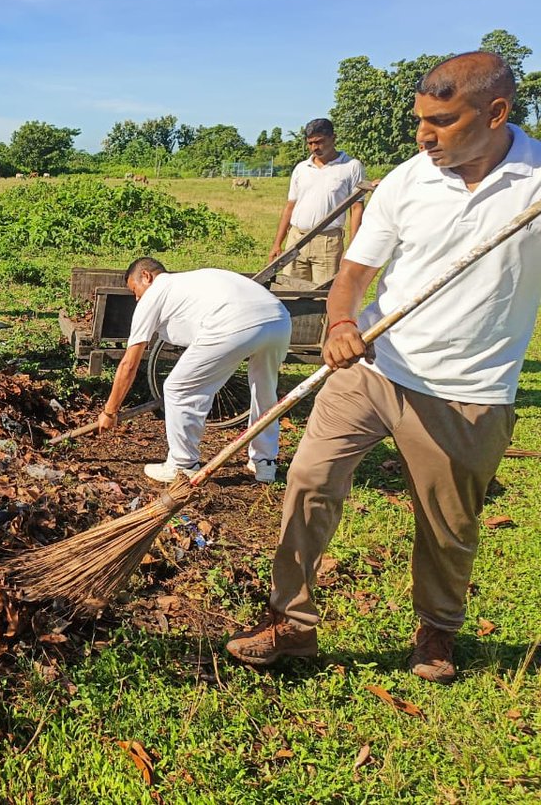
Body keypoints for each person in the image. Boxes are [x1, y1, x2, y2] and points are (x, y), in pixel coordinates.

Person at [227, 52, 541, 684]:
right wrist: (342, 324)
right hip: (375, 365)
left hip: (469, 391)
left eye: (442, 121)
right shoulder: (407, 180)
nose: (424, 135)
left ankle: (436, 631)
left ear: (496, 113)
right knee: (310, 480)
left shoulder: (536, 186)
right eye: (419, 120)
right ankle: (290, 623)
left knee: (447, 524)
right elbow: (353, 276)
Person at [97, 259, 291, 483]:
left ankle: (183, 465)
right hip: (278, 319)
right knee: (265, 391)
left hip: (235, 322)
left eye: (135, 290)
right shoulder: (191, 282)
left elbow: (129, 363)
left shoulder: (155, 292)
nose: (137, 298)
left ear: (147, 276)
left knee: (178, 388)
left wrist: (110, 411)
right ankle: (265, 463)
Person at [268, 118, 366, 284]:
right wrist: (277, 244)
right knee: (290, 292)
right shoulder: (301, 168)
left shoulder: (351, 166)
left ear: (333, 138)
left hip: (328, 243)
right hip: (296, 239)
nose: (315, 148)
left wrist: (352, 248)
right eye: (310, 143)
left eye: (320, 142)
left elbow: (356, 208)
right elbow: (290, 207)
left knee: (323, 296)